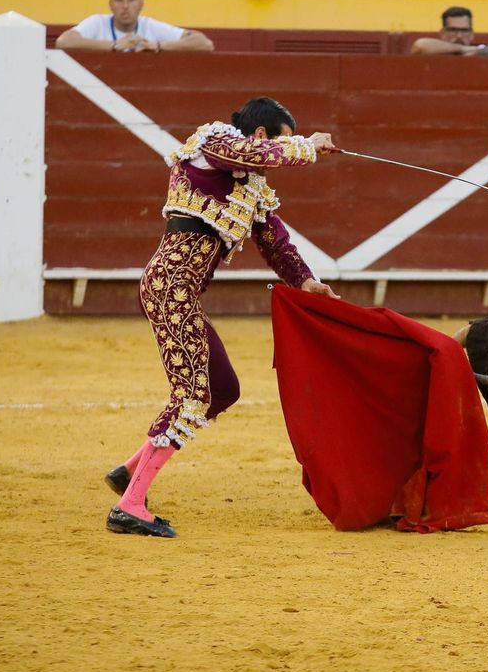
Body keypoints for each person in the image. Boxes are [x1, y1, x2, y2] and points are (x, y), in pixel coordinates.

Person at [104, 95, 339, 539]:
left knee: (222, 389)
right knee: (193, 395)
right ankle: (130, 505)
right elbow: (248, 153)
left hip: (183, 293)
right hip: (170, 288)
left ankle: (128, 472)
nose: (277, 158)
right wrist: (306, 146)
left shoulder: (250, 187)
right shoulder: (216, 142)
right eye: (280, 143)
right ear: (262, 134)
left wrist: (306, 281)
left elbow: (275, 241)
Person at [55, 0, 214, 52]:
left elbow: (205, 44)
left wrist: (159, 45)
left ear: (140, 4)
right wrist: (113, 46)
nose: (125, 6)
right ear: (111, 4)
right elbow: (63, 41)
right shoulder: (98, 22)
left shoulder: (149, 25)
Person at [410, 6, 488, 54]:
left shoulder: (480, 52)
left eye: (464, 31)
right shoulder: (435, 50)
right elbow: (420, 46)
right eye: (453, 30)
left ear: (471, 34)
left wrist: (479, 52)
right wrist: (464, 48)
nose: (459, 36)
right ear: (443, 33)